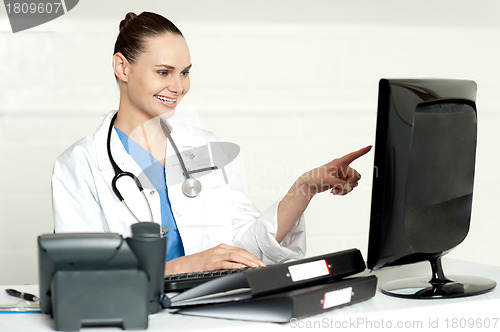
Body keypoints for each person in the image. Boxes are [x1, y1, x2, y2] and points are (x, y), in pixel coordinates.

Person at [52, 12, 371, 275]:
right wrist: (183, 266)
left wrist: (305, 187)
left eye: (185, 73)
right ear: (122, 67)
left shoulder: (204, 147)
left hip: (207, 304)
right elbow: (81, 274)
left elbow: (246, 246)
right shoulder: (80, 164)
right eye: (164, 72)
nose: (178, 86)